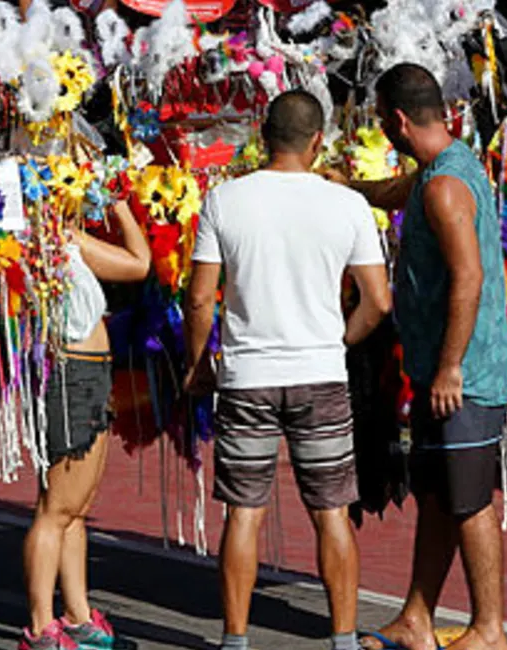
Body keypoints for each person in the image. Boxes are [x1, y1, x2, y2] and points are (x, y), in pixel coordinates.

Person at [184, 89, 392, 650]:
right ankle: (343, 639)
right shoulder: (346, 204)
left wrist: (200, 364)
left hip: (247, 376)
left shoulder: (225, 200)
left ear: (262, 137)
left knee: (243, 514)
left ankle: (235, 639)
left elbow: (201, 298)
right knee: (332, 513)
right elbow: (377, 300)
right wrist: (337, 342)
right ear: (318, 141)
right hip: (320, 373)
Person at [349, 63, 507, 650]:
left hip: (463, 376)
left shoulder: (445, 186)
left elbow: (467, 278)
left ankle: (490, 630)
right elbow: (401, 192)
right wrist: (349, 190)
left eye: (379, 121)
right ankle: (417, 618)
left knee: (469, 500)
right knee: (440, 494)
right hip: (440, 370)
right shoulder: (442, 169)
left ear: (396, 120)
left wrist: (449, 366)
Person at [19, 199, 149, 650]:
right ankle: (40, 627)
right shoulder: (32, 241)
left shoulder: (66, 238)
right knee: (56, 508)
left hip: (90, 372)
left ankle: (76, 614)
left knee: (75, 508)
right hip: (68, 372)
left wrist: (117, 204)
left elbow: (139, 264)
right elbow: (139, 266)